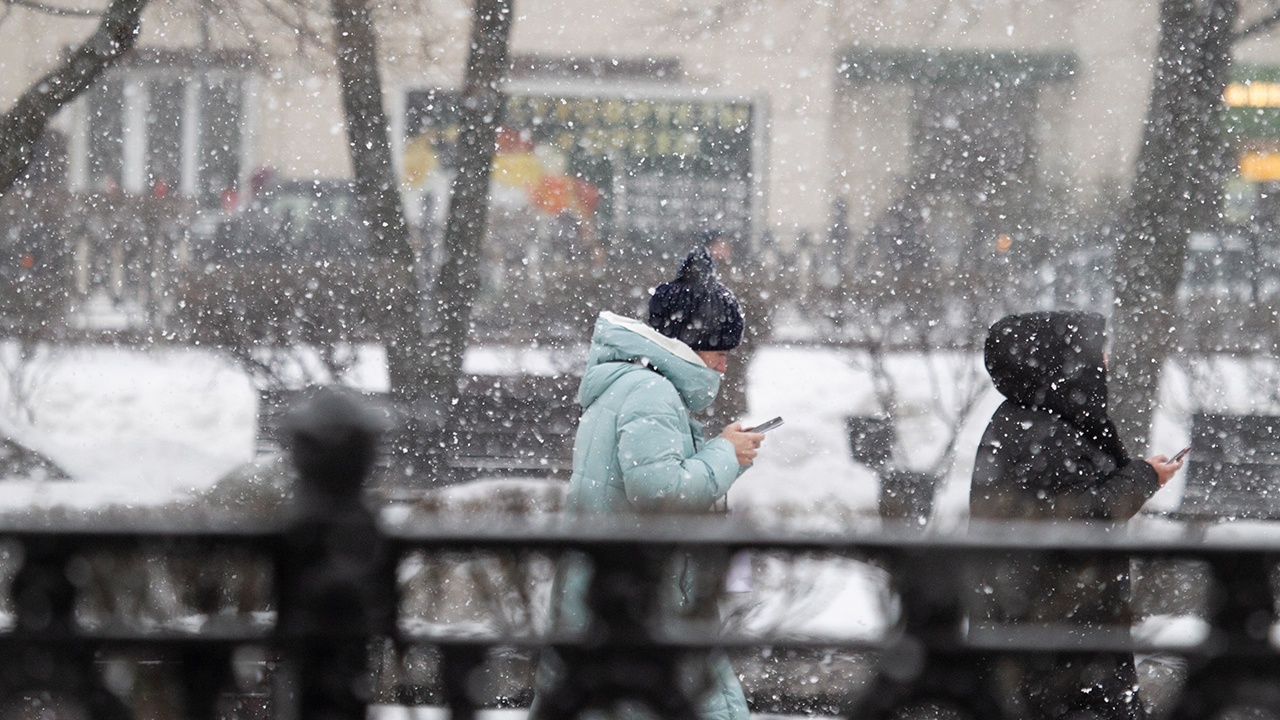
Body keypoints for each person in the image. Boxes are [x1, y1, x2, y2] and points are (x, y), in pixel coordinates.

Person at [530, 246, 761, 720]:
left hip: (612, 590)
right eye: (719, 354)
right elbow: (659, 495)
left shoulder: (633, 386)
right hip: (640, 596)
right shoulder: (651, 394)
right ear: (690, 345)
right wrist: (726, 455)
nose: (723, 367)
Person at [970, 310, 1183, 720]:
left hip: (1051, 632)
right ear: (1059, 362)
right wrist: (1141, 478)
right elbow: (1083, 519)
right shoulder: (1046, 433)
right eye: (1094, 350)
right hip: (1061, 637)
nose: (1103, 361)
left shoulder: (1029, 422)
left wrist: (1138, 475)